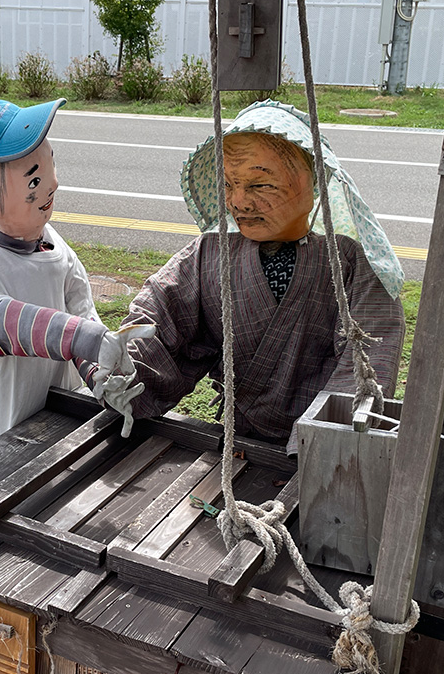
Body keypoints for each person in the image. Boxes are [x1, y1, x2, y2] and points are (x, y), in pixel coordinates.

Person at [124, 99, 406, 450]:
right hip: (236, 443)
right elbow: (158, 313)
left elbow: (364, 368)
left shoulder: (350, 265)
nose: (239, 202)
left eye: (260, 185)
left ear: (313, 184)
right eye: (229, 184)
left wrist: (321, 442)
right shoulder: (210, 253)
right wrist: (123, 369)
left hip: (315, 449)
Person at [0, 98, 152, 453]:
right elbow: (1, 325)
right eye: (34, 180)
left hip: (62, 427)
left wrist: (98, 375)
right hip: (2, 445)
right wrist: (85, 337)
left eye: (51, 165)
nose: (52, 184)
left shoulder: (56, 245)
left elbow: (81, 313)